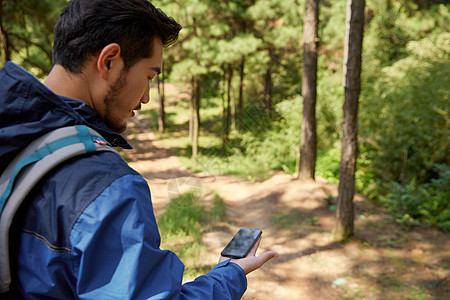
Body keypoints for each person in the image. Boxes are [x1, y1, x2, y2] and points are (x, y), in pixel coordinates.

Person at [0, 0, 279, 299]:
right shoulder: (104, 185)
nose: (146, 97)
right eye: (149, 76)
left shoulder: (13, 132)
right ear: (109, 61)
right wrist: (229, 276)